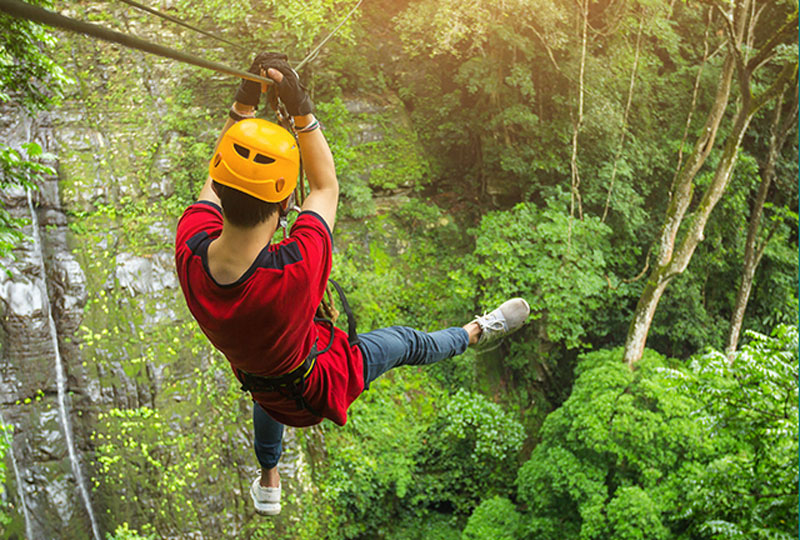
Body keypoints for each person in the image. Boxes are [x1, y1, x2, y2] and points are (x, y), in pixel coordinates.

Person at [174, 52, 530, 516]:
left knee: (269, 391)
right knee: (404, 343)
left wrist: (247, 108)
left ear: (221, 192)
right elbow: (325, 187)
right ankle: (476, 333)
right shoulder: (293, 270)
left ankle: (269, 479)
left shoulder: (190, 248)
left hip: (261, 377)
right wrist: (297, 104)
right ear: (284, 206)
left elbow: (225, 177)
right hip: (320, 384)